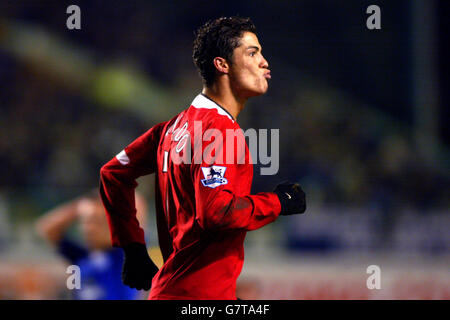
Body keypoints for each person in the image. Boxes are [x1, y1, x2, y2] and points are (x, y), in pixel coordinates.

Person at [99, 16, 307, 300]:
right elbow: (216, 212)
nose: (264, 62)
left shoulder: (173, 128)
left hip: (182, 291)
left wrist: (133, 248)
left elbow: (113, 172)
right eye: (252, 53)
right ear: (222, 65)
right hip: (196, 296)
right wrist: (279, 203)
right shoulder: (218, 129)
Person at [35, 190, 150, 300]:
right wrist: (81, 206)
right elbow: (46, 228)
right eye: (85, 222)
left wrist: (103, 194)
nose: (89, 228)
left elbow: (137, 202)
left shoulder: (124, 255)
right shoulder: (81, 256)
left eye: (97, 222)